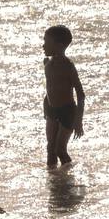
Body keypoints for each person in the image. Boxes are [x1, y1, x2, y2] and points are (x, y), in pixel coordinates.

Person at [42, 24, 86, 170]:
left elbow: (80, 94)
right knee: (50, 148)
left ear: (59, 45)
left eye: (46, 42)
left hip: (67, 111)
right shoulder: (47, 63)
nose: (43, 46)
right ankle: (53, 181)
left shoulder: (68, 66)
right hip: (51, 109)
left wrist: (78, 121)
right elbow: (50, 88)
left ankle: (69, 178)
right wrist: (45, 108)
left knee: (60, 150)